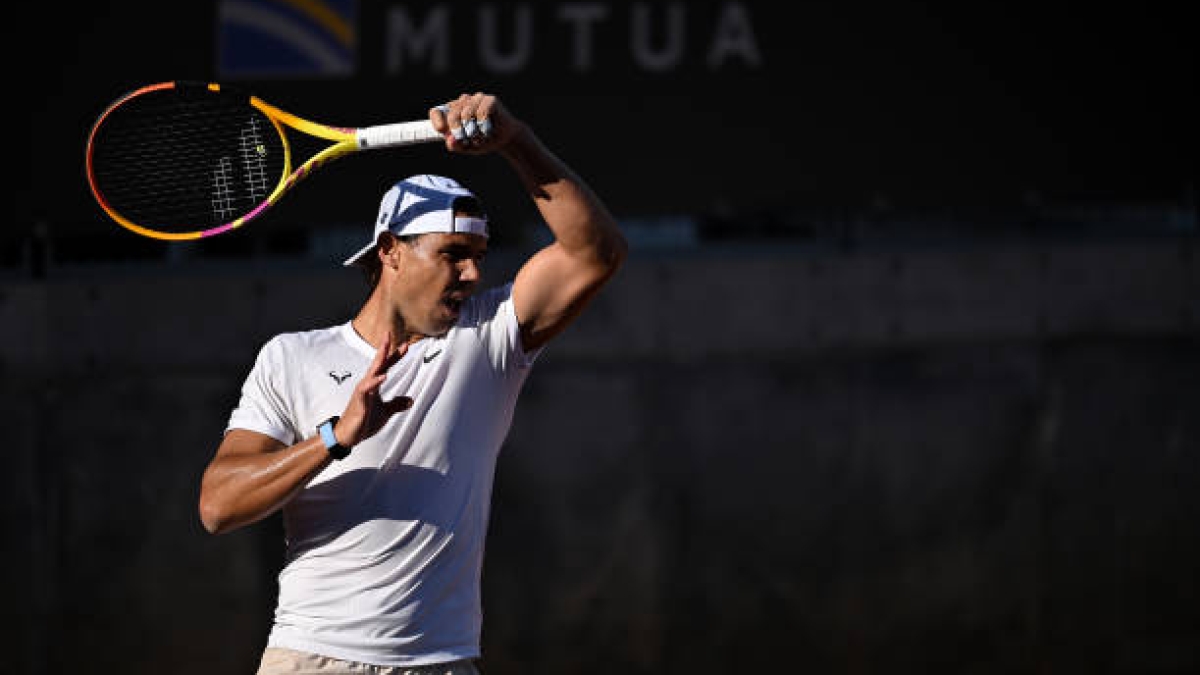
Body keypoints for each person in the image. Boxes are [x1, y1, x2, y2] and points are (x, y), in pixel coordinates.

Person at [197, 91, 627, 674]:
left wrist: (516, 142)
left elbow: (595, 251)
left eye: (478, 254)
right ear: (391, 252)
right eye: (453, 253)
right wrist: (335, 438)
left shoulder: (491, 335)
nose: (473, 273)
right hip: (313, 659)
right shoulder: (291, 358)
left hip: (442, 664)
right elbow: (218, 504)